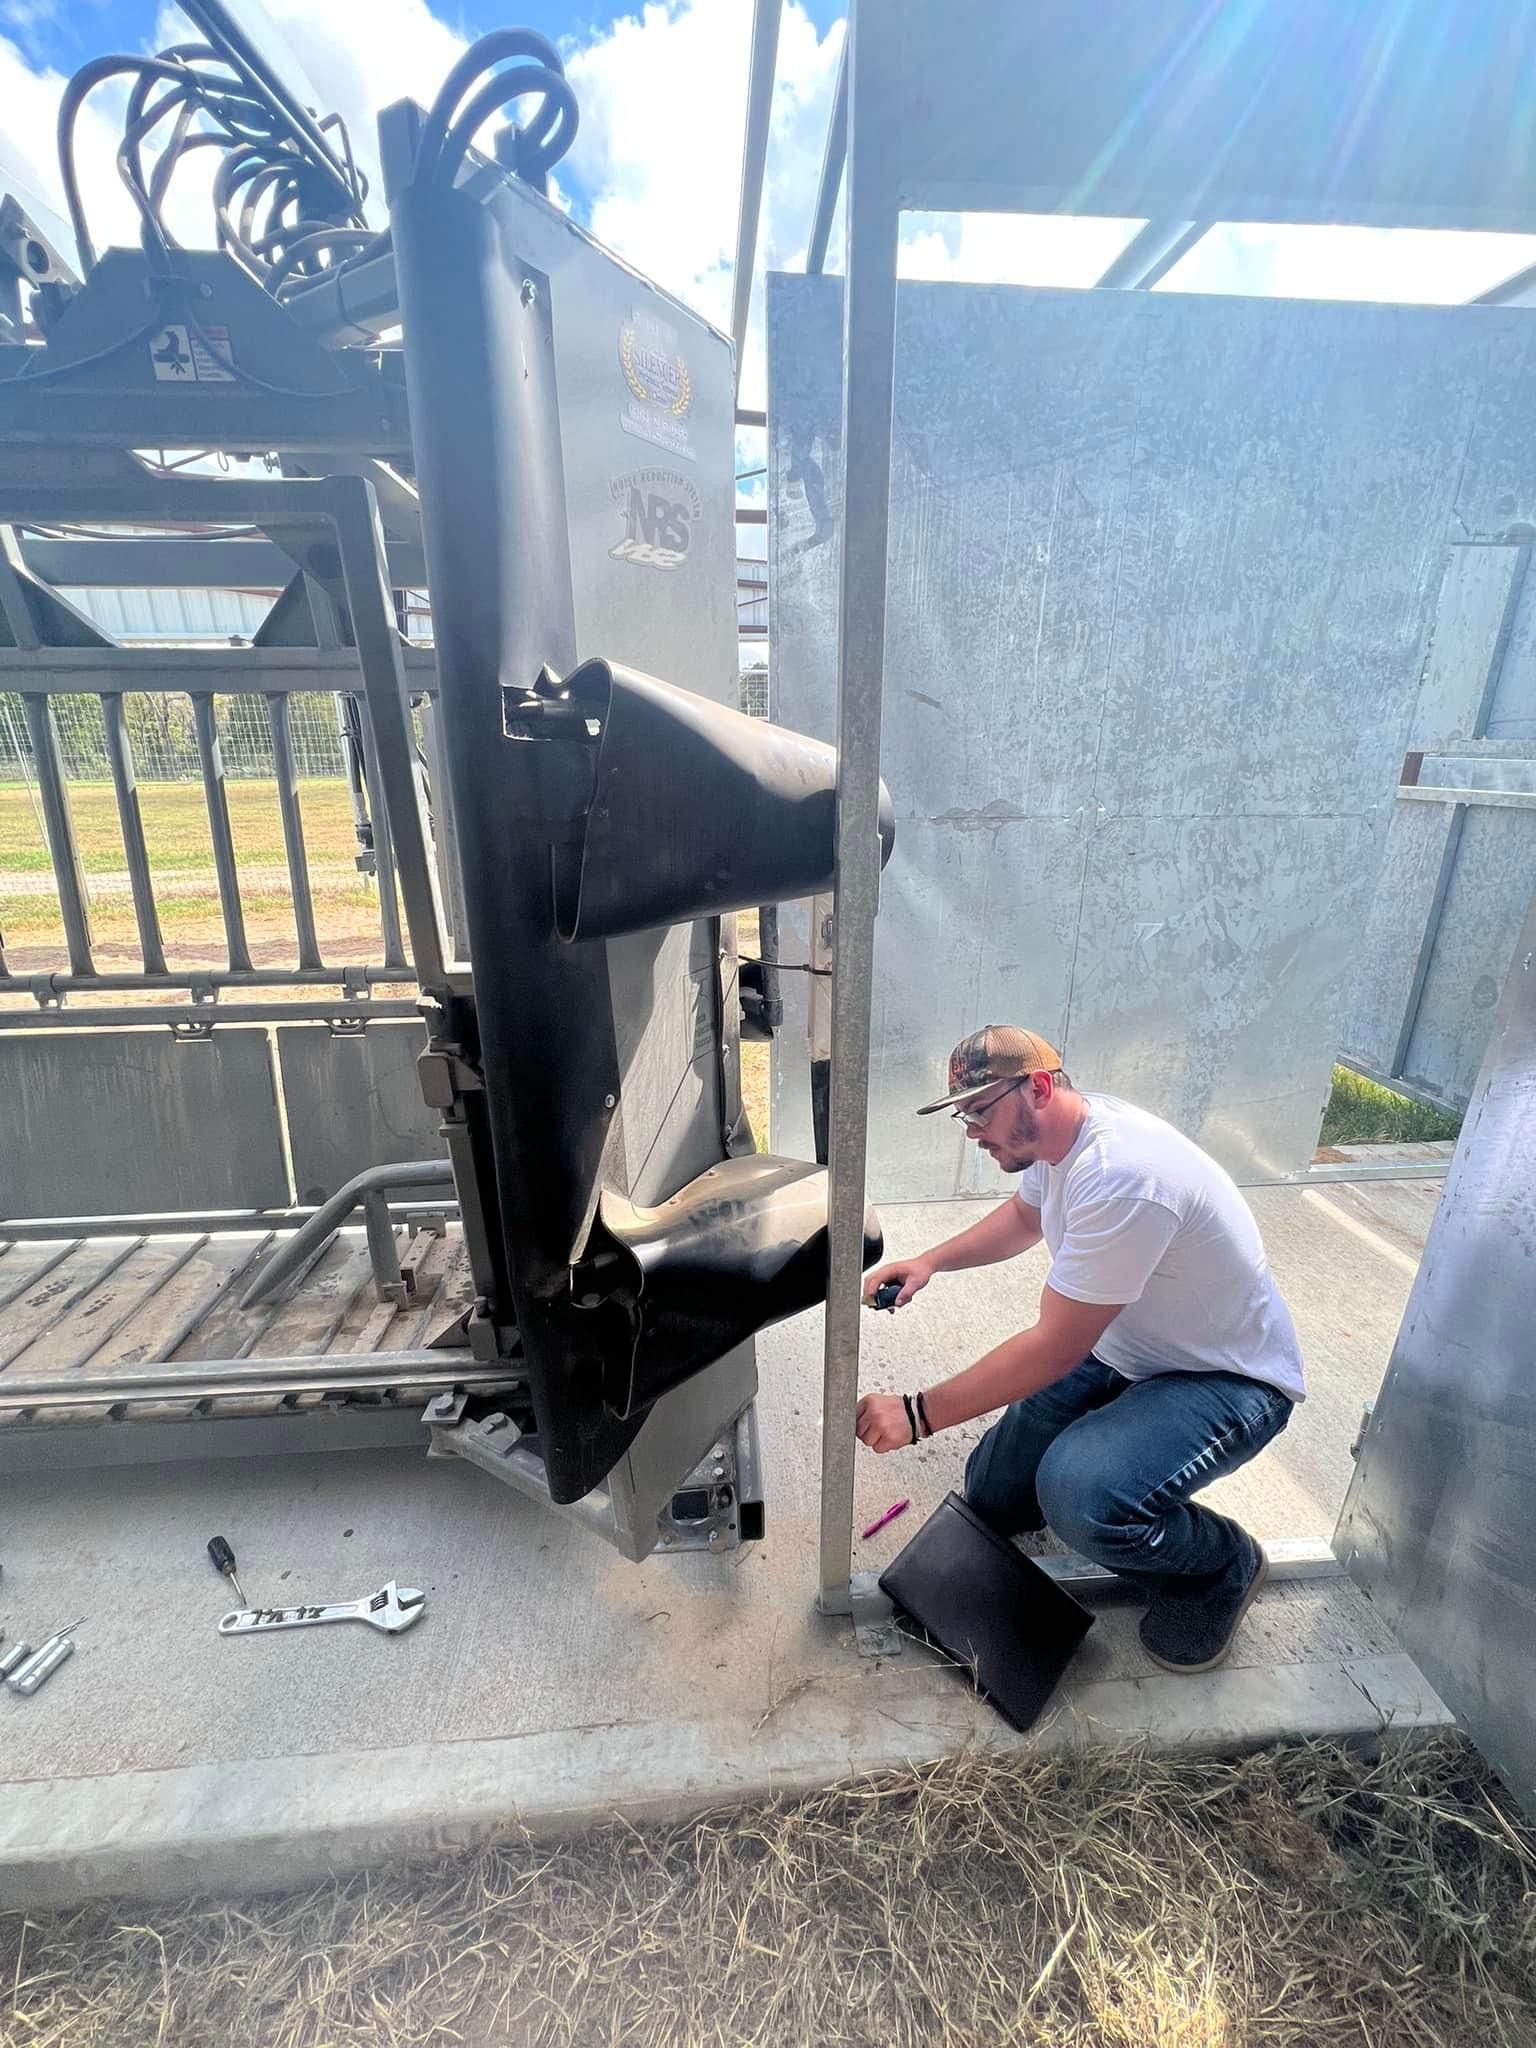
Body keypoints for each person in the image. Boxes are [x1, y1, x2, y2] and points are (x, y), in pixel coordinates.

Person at [858, 1025, 1304, 1674]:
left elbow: (1053, 1349)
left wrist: (919, 1413)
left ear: (1038, 1088)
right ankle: (1115, 1445)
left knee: (1081, 1496)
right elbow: (1023, 1219)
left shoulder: (1123, 1177)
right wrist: (931, 1261)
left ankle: (1219, 1564)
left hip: (1224, 1379)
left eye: (979, 1110)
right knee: (993, 1495)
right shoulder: (1060, 1142)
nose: (971, 1130)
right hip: (1129, 1350)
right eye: (963, 1113)